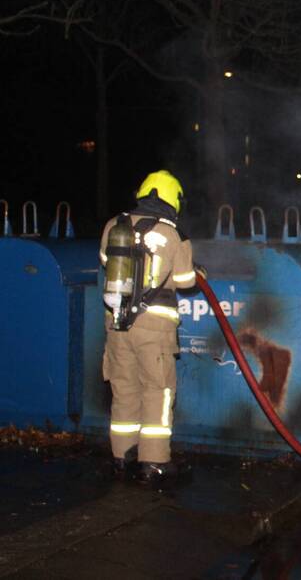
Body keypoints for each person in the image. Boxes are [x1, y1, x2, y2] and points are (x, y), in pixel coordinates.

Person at [99, 170, 200, 486]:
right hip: (154, 329)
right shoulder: (174, 234)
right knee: (157, 391)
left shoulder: (114, 225)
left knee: (124, 388)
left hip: (117, 323)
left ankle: (122, 456)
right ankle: (154, 463)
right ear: (174, 200)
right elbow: (186, 281)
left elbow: (106, 261)